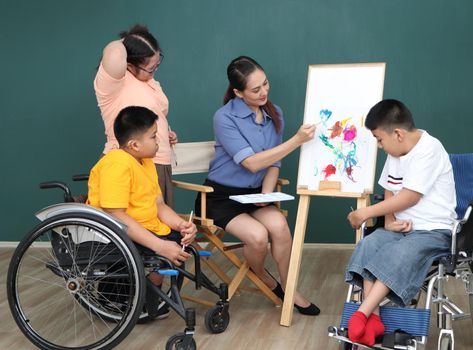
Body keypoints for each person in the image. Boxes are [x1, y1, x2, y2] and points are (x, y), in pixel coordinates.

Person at [195, 56, 320, 315]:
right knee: (258, 237)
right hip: (220, 197)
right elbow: (251, 163)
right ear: (238, 92)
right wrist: (297, 140)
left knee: (281, 227)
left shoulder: (275, 114)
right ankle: (261, 274)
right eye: (255, 89)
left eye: (265, 84)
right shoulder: (224, 117)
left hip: (254, 195)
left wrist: (267, 193)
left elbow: (274, 161)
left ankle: (288, 286)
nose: (263, 92)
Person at [345, 99, 457, 345]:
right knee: (369, 244)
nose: (379, 145)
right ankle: (373, 319)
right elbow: (389, 187)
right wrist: (387, 220)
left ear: (397, 133)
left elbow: (409, 196)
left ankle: (362, 313)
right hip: (401, 229)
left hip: (433, 231)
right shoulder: (397, 150)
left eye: (379, 139)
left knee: (399, 252)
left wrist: (365, 212)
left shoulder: (430, 149)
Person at [87, 106, 197, 318]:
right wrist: (160, 245)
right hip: (117, 233)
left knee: (181, 239)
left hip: (146, 227)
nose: (159, 141)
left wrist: (181, 224)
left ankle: (147, 297)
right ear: (135, 144)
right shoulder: (116, 164)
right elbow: (116, 215)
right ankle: (142, 298)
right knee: (168, 249)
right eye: (154, 136)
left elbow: (158, 205)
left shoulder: (146, 162)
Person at [94, 24, 177, 206]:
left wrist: (164, 133)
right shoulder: (114, 82)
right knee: (135, 225)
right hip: (129, 163)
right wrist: (132, 40)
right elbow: (115, 53)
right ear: (130, 65)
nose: (155, 70)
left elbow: (155, 114)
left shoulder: (149, 81)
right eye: (150, 68)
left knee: (159, 224)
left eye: (157, 64)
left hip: (158, 163)